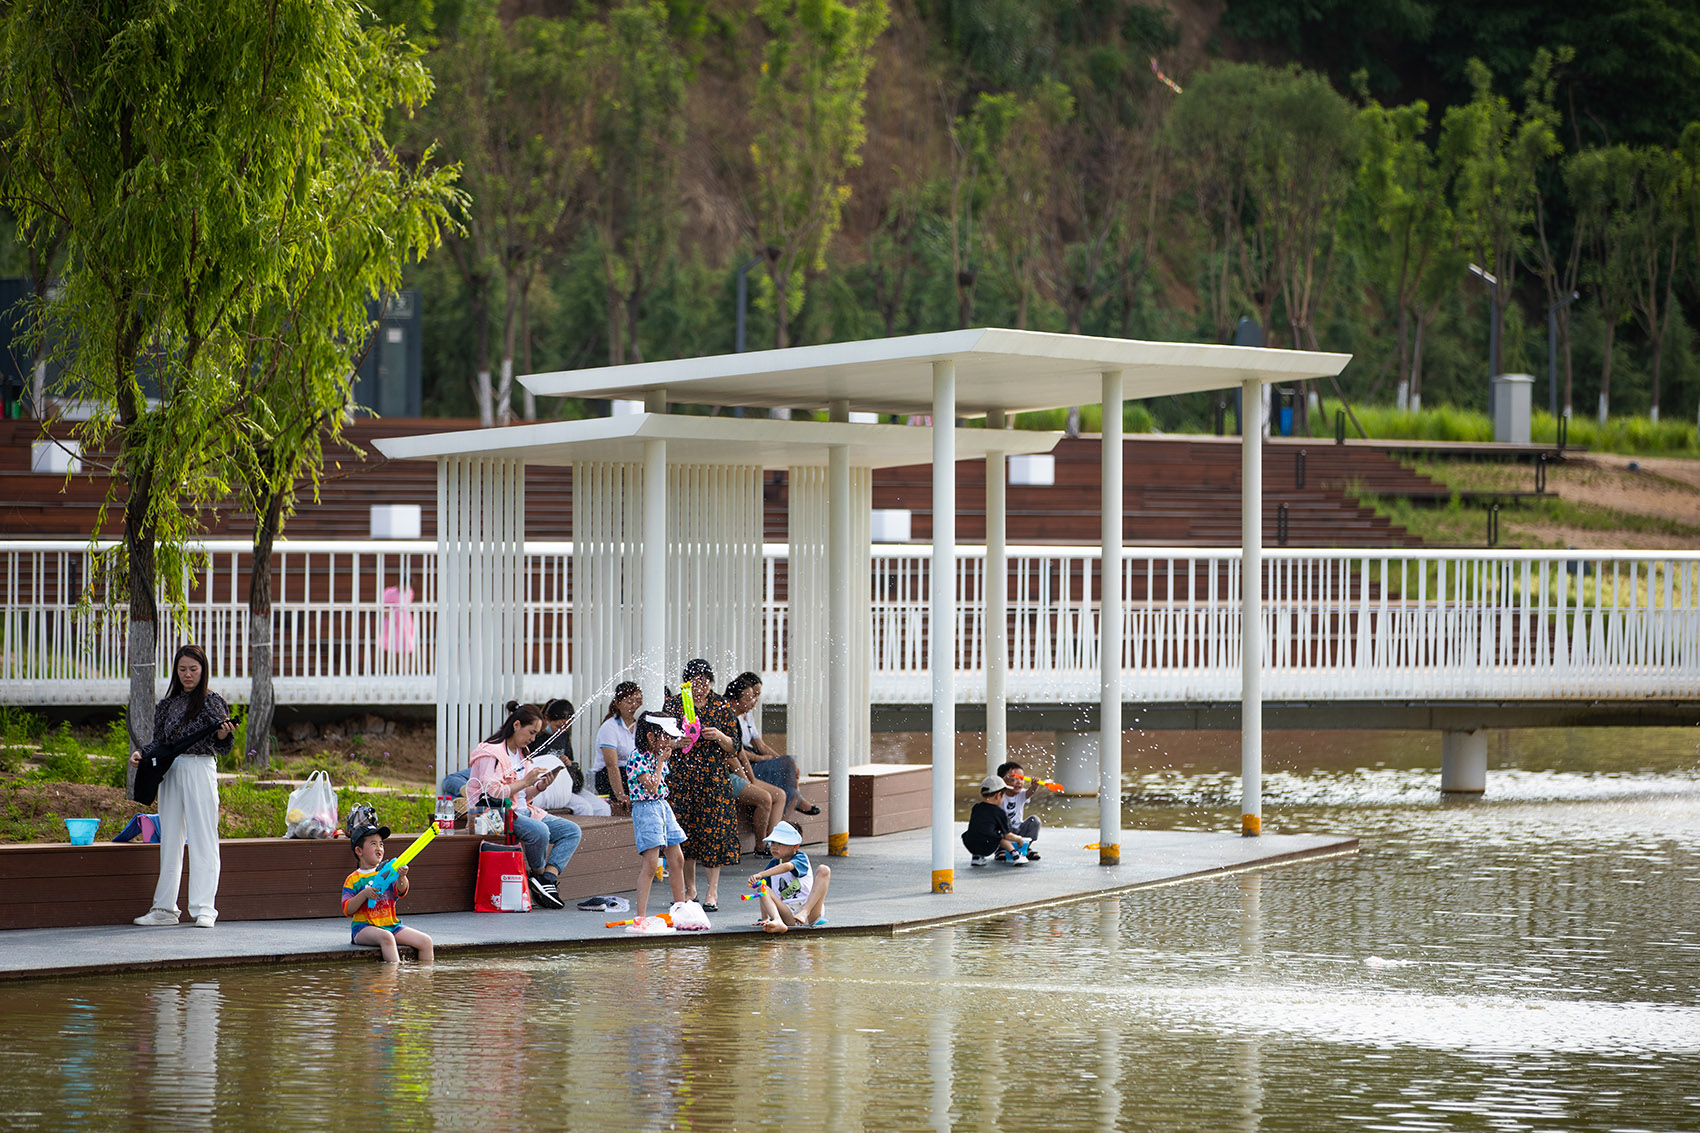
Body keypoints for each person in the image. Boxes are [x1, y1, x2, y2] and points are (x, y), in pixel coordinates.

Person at [129, 644, 234, 928]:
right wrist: (143, 754)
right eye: (182, 669)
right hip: (171, 769)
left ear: (203, 670)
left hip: (200, 767)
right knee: (171, 837)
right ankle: (164, 908)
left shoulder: (213, 702)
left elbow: (223, 746)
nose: (188, 674)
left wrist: (224, 736)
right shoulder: (166, 705)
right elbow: (160, 742)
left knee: (203, 836)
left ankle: (204, 909)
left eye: (193, 669)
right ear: (176, 671)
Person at [468, 702, 582, 909]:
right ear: (517, 725)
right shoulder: (491, 753)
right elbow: (491, 791)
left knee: (571, 831)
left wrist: (539, 786)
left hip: (523, 811)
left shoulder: (522, 753)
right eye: (531, 732)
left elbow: (521, 795)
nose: (532, 738)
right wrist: (526, 781)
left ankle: (547, 879)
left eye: (535, 733)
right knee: (540, 831)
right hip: (495, 814)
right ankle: (537, 875)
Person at [660, 659, 742, 911]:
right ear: (687, 682)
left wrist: (719, 735)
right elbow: (663, 742)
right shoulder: (676, 703)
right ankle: (690, 889)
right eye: (696, 682)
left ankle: (712, 892)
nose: (701, 687)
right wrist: (678, 743)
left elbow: (734, 746)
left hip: (713, 780)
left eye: (706, 682)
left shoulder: (721, 705)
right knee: (686, 834)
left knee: (713, 833)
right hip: (683, 780)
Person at [725, 671, 820, 820]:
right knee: (785, 788)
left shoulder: (746, 715)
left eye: (757, 695)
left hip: (750, 761)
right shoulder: (729, 717)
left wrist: (780, 760)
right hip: (748, 764)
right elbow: (738, 753)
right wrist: (761, 761)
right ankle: (792, 807)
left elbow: (760, 745)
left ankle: (792, 803)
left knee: (789, 767)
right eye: (751, 696)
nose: (754, 701)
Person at [341, 819, 434, 963]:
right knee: (387, 938)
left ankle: (425, 980)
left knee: (426, 941)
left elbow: (401, 891)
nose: (379, 848)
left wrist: (402, 876)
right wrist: (364, 894)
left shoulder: (388, 871)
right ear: (359, 851)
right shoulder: (353, 879)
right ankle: (393, 979)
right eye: (373, 844)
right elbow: (348, 909)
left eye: (381, 844)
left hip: (391, 925)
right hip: (363, 928)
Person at [627, 714, 689, 919]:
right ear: (651, 736)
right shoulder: (637, 756)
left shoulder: (656, 753)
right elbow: (652, 786)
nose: (668, 742)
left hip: (663, 806)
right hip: (646, 808)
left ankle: (680, 906)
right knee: (651, 863)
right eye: (665, 737)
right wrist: (661, 761)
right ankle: (641, 915)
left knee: (677, 858)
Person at [529, 698, 610, 816]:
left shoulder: (564, 736)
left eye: (566, 726)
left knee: (603, 808)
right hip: (548, 788)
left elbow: (571, 762)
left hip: (566, 783)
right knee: (584, 807)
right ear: (547, 719)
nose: (562, 730)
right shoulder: (536, 738)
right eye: (558, 726)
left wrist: (568, 762)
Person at [747, 820, 830, 933]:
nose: (774, 847)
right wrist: (765, 918)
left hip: (810, 911)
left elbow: (787, 867)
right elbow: (764, 889)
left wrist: (761, 874)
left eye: (780, 843)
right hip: (787, 913)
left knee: (824, 869)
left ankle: (804, 913)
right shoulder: (773, 864)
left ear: (795, 847)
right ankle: (777, 921)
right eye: (773, 843)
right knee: (762, 887)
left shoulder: (801, 858)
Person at [962, 775, 1032, 867]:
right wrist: (1018, 839)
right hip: (987, 847)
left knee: (978, 832)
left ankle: (977, 857)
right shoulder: (999, 812)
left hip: (970, 844)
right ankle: (1016, 855)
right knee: (1000, 835)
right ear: (998, 795)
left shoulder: (976, 807)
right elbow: (1008, 835)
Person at [594, 682, 642, 811]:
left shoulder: (640, 726)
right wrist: (620, 795)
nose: (634, 706)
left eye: (638, 701)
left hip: (633, 775)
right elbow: (611, 765)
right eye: (630, 701)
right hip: (609, 777)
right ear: (617, 703)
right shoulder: (609, 727)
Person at [997, 760, 1050, 860]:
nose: (1019, 782)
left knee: (1035, 820)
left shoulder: (1021, 794)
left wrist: (1034, 786)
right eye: (1013, 779)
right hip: (1003, 833)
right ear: (1003, 781)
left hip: (1019, 830)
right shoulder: (999, 795)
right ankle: (1002, 848)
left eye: (1021, 779)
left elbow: (1030, 792)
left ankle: (1025, 847)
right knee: (1004, 819)